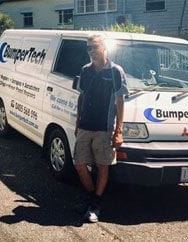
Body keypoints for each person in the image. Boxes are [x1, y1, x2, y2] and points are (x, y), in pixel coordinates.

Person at [74, 34, 128, 223]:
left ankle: (95, 204)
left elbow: (120, 101)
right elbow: (81, 97)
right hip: (85, 126)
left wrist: (119, 130)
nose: (91, 51)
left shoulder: (115, 71)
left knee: (102, 166)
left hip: (104, 128)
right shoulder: (85, 70)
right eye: (88, 48)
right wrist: (77, 122)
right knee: (80, 164)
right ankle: (92, 197)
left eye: (94, 47)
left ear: (104, 47)